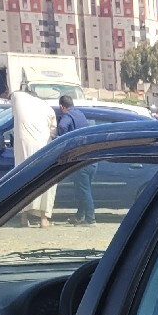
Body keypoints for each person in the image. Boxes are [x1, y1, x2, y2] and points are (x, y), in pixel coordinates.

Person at [10, 88, 57, 225]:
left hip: (23, 151)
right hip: (44, 149)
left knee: (23, 181)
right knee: (46, 182)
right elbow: (53, 132)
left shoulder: (19, 99)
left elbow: (12, 92)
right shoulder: (47, 108)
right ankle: (44, 219)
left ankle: (24, 217)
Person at [57, 95, 95, 224]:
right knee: (83, 189)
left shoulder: (67, 116)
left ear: (62, 107)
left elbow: (62, 127)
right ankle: (80, 216)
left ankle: (90, 219)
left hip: (80, 158)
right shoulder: (80, 114)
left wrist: (63, 140)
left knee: (84, 191)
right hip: (90, 158)